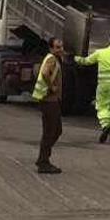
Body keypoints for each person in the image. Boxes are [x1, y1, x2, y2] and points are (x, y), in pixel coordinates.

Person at [75, 34, 110, 143]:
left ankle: (105, 125)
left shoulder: (100, 52)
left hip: (103, 85)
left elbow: (87, 61)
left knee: (102, 105)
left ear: (109, 42)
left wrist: (76, 58)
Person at [31, 37, 64, 174]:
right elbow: (44, 73)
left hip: (51, 100)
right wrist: (52, 87)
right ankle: (43, 162)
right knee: (50, 132)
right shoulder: (51, 59)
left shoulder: (54, 58)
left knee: (56, 130)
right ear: (51, 48)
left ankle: (43, 159)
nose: (60, 49)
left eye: (61, 46)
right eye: (57, 47)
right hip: (48, 100)